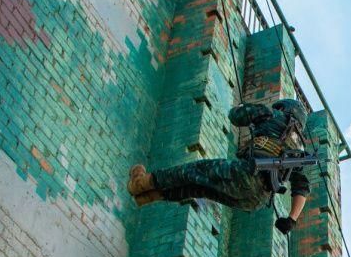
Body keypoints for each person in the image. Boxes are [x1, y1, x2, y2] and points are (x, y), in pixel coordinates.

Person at [127, 99, 310, 233]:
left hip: (246, 174)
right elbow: (301, 188)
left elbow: (236, 116)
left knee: (192, 172)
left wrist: (245, 108)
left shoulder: (274, 116)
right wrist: (291, 220)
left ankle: (143, 182)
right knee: (199, 189)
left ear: (285, 109)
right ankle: (151, 196)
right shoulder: (299, 151)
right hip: (255, 201)